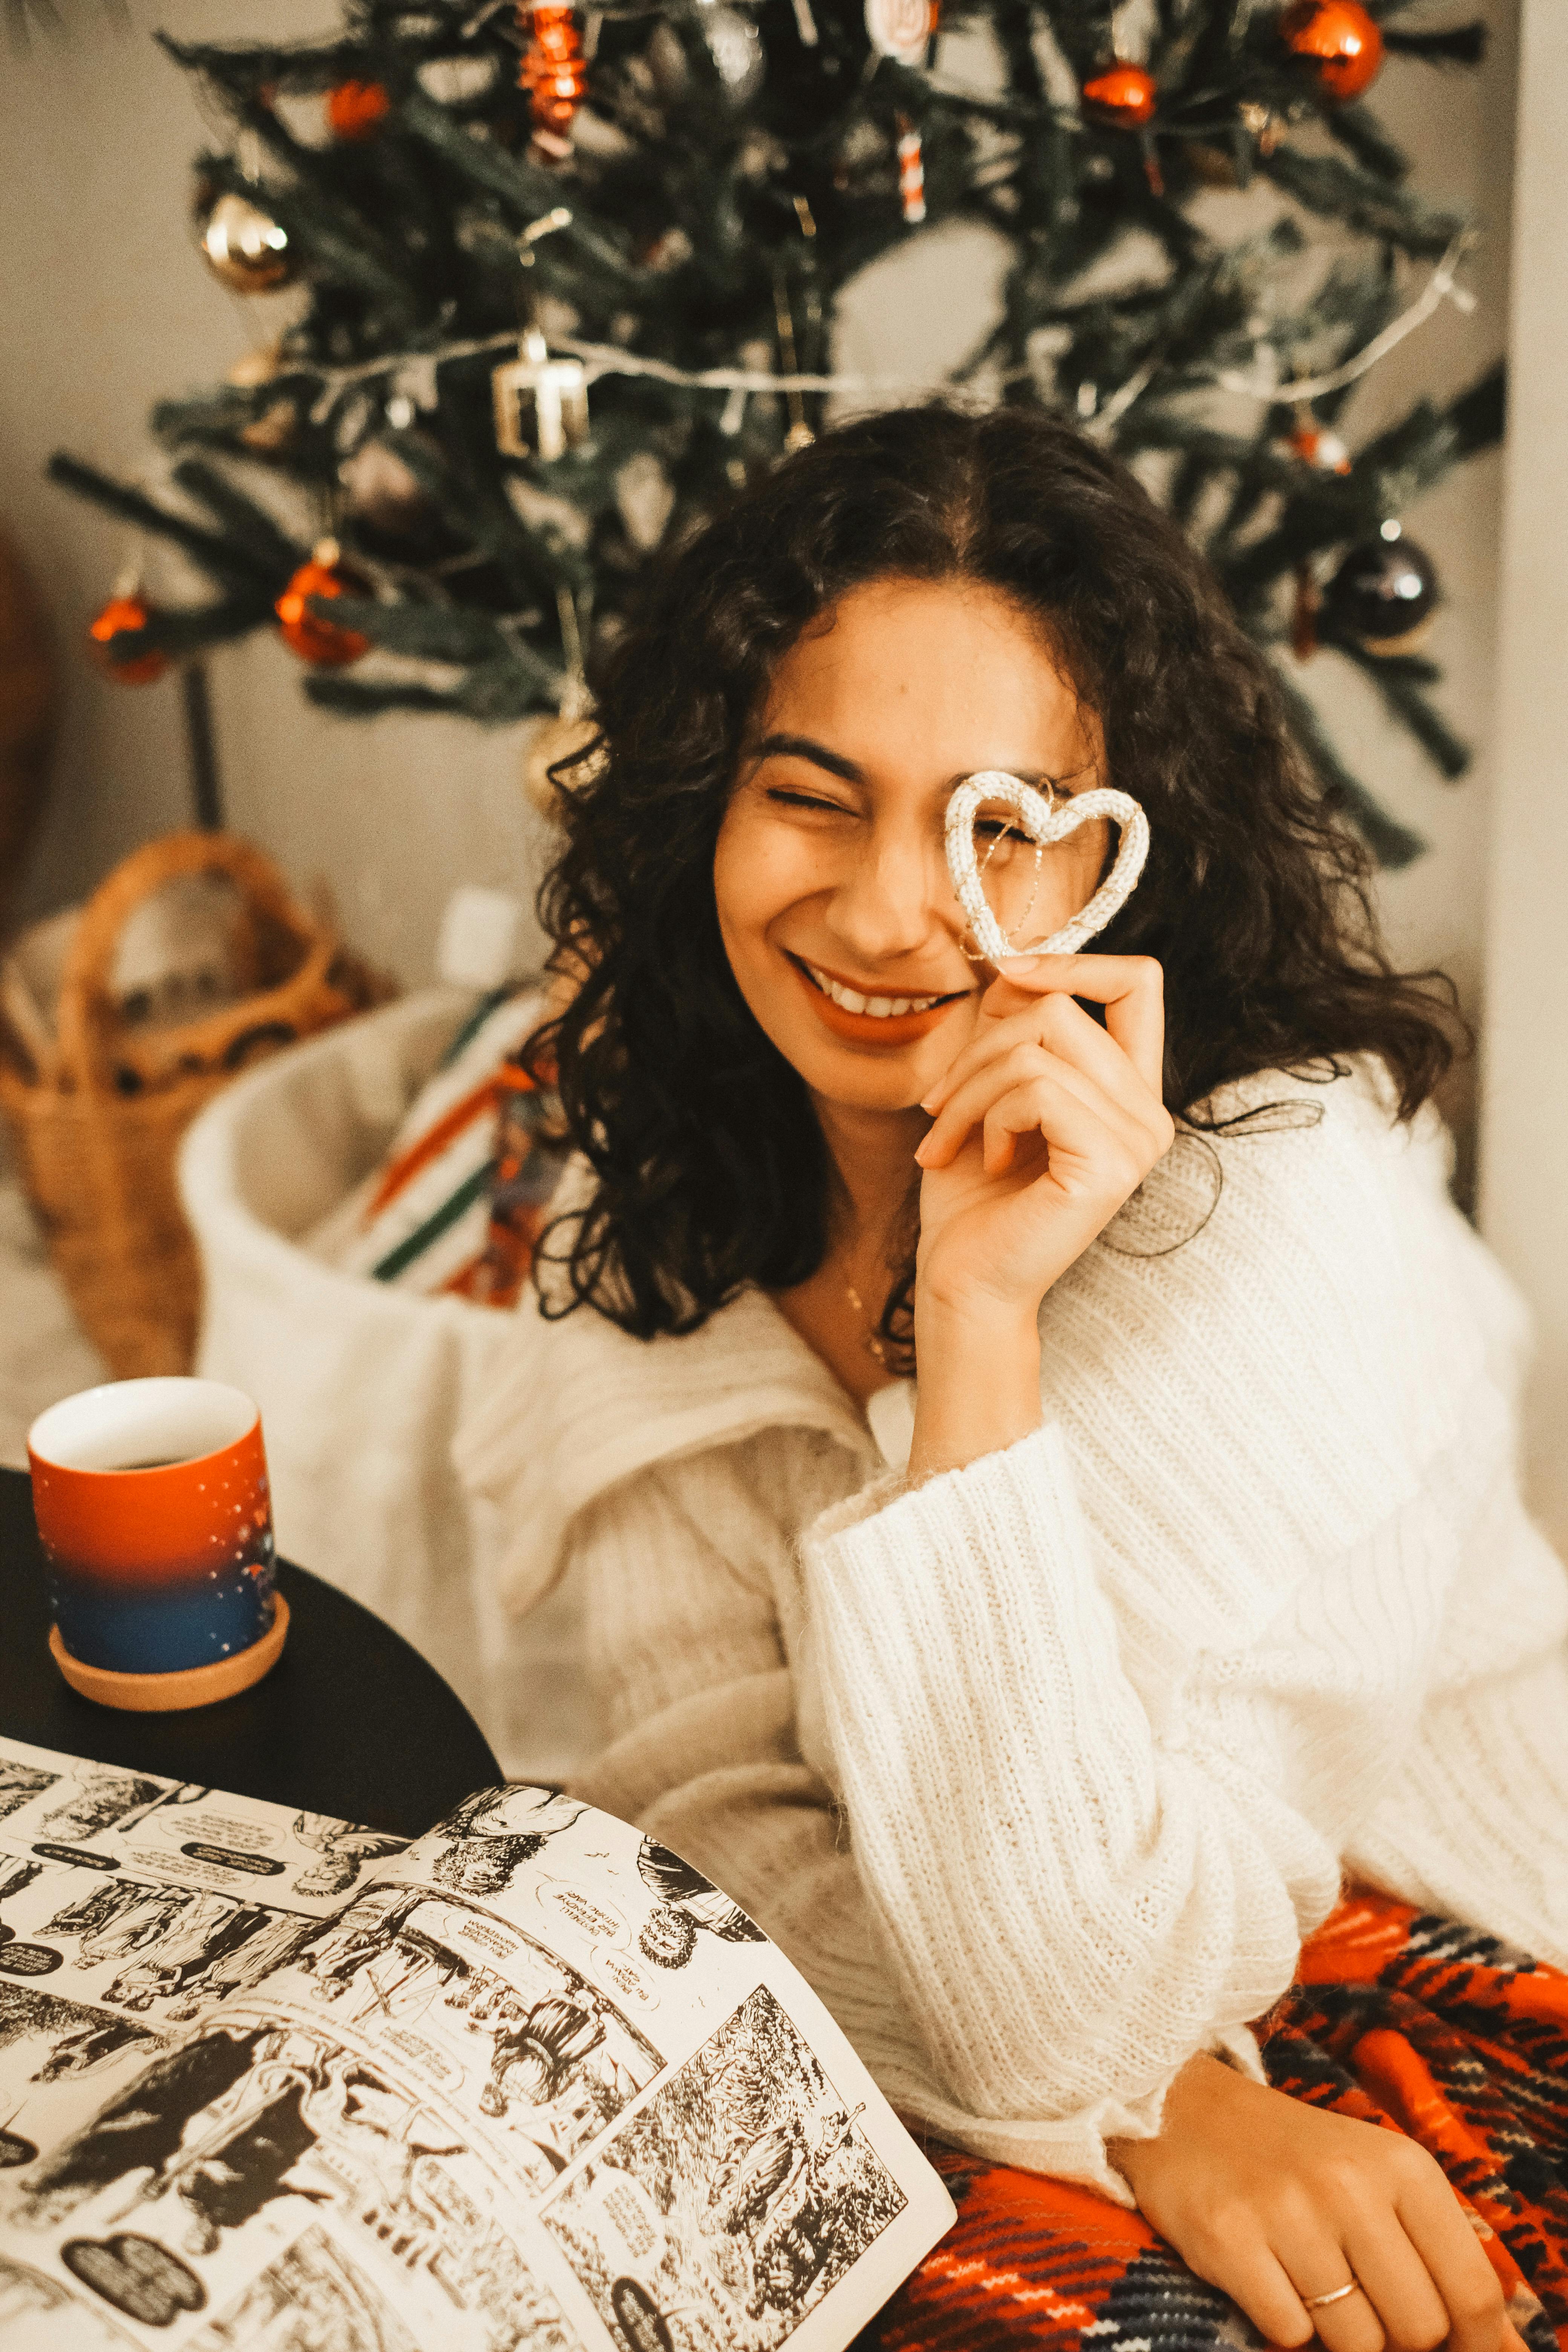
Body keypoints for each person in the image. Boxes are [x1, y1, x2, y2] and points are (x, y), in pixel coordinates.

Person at [457, 406, 1568, 2349]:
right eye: (812, 797)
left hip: (1423, 1942)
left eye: (997, 825)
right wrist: (1164, 2117)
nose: (891, 912)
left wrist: (977, 1332)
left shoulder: (1276, 1205)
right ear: (703, 808)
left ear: (1123, 860)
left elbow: (1073, 1988)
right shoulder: (663, 1208)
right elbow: (710, 1823)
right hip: (1084, 2023)